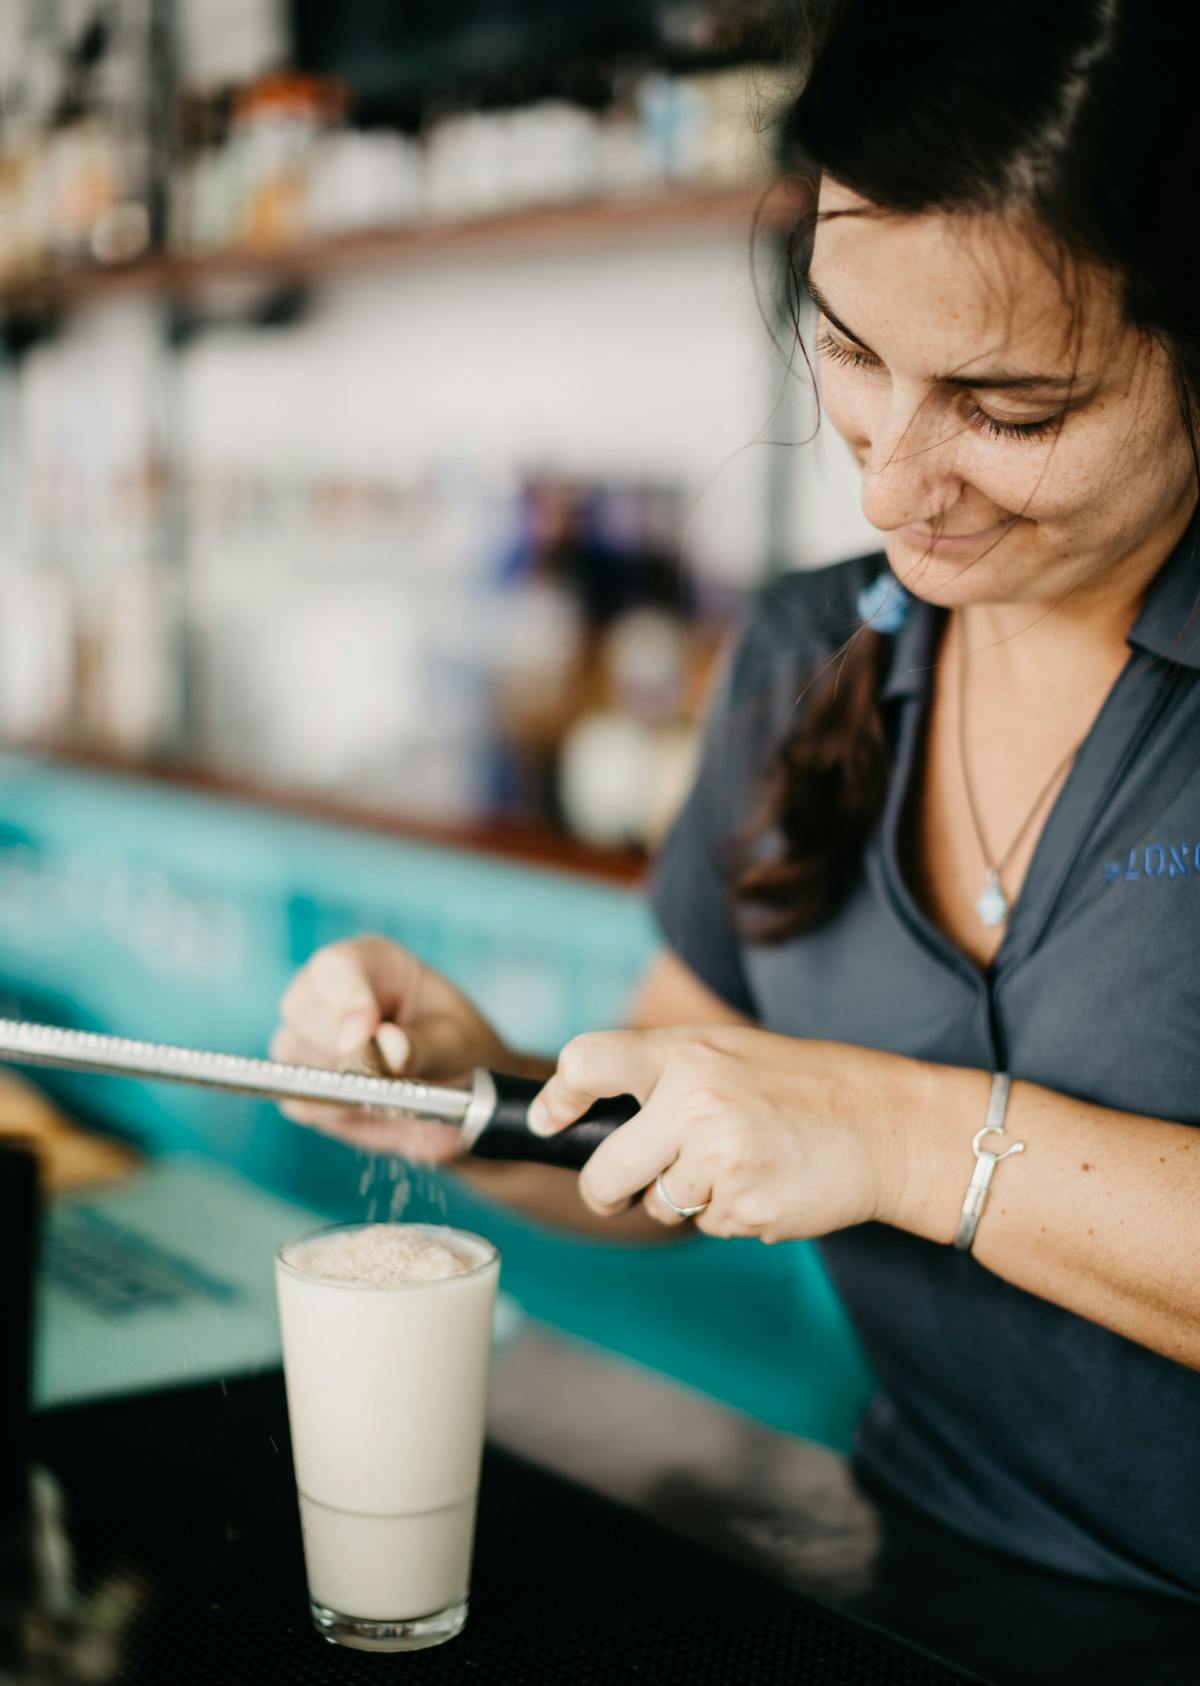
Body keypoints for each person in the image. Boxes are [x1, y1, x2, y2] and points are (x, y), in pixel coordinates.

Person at [273, 0, 1200, 1604]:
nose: (891, 480)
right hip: (932, 1570)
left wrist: (902, 1134)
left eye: (1011, 410)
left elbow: (851, 1127)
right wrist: (467, 1092)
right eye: (848, 351)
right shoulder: (805, 655)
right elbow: (676, 1162)